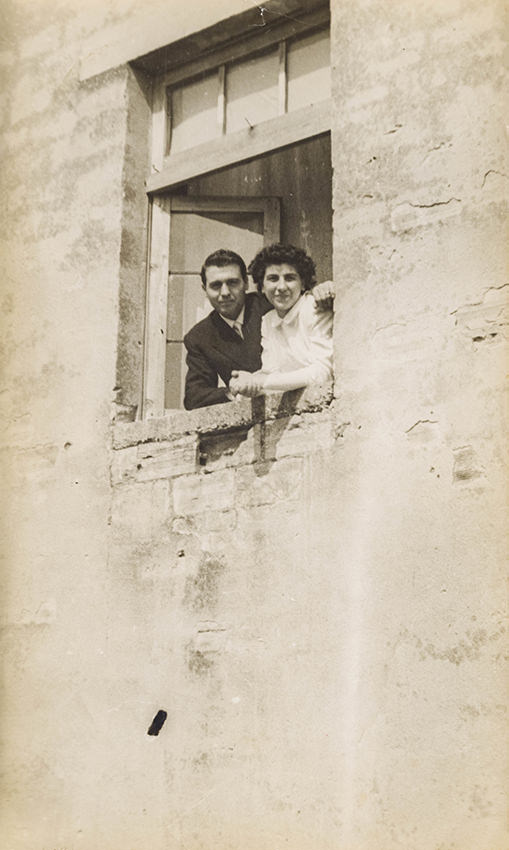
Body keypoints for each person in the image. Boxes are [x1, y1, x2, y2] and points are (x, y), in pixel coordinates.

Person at [183, 248, 334, 410]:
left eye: (232, 282)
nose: (225, 292)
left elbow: (299, 295)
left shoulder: (269, 303)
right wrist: (236, 390)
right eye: (216, 285)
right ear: (204, 289)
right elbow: (194, 397)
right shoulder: (199, 337)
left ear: (246, 283)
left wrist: (325, 290)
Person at [228, 244, 333, 398]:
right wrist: (246, 385)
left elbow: (322, 372)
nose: (281, 287)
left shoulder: (314, 308)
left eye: (290, 278)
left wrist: (262, 381)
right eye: (273, 279)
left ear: (303, 283)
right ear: (262, 287)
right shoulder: (268, 320)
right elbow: (271, 373)